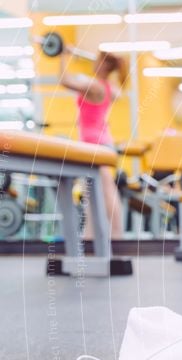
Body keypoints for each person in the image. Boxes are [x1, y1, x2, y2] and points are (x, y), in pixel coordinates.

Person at [58, 48, 126, 239]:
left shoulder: (96, 87)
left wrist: (64, 55)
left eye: (98, 60)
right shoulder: (107, 87)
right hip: (94, 144)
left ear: (104, 65)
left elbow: (65, 81)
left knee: (106, 190)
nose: (94, 63)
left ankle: (117, 236)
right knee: (90, 193)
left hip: (97, 145)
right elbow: (116, 93)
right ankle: (89, 236)